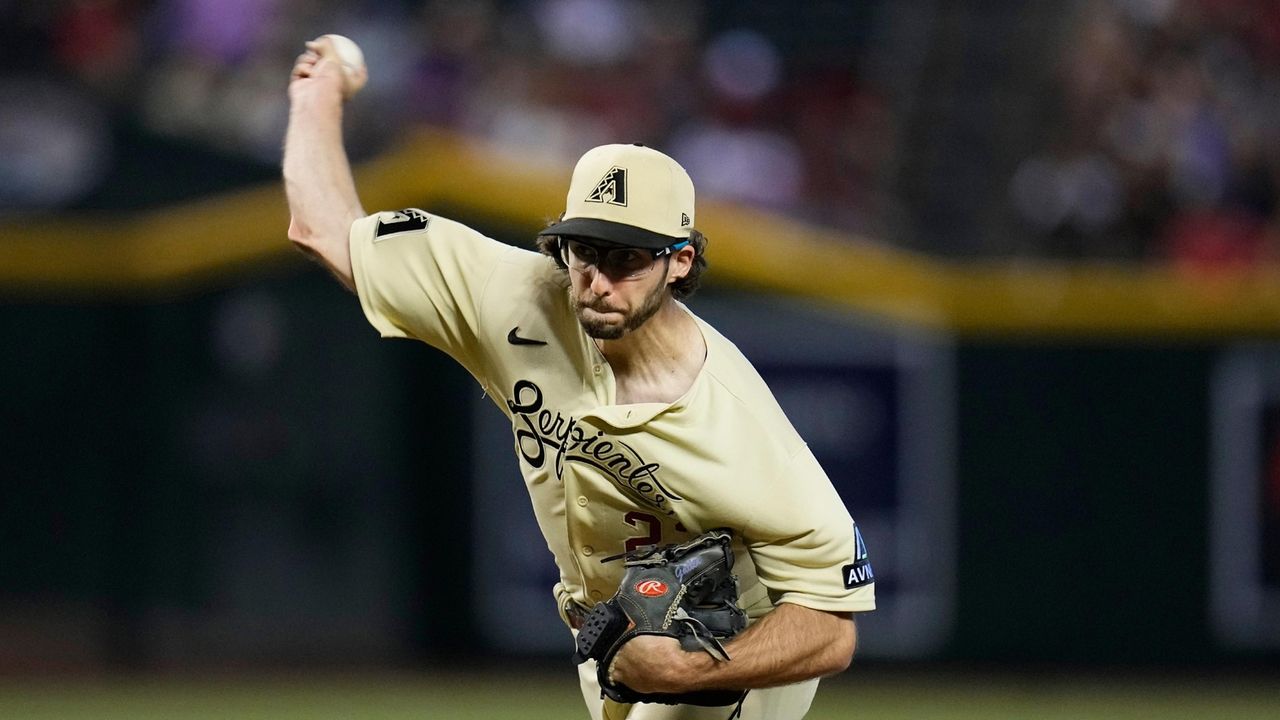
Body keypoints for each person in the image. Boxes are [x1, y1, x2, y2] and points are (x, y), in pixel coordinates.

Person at [283, 36, 875, 720]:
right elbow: (323, 227)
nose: (595, 281)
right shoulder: (515, 296)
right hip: (613, 639)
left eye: (625, 258)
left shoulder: (737, 426)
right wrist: (315, 96)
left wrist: (687, 670)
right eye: (582, 250)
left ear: (679, 262)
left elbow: (832, 627)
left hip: (733, 649)